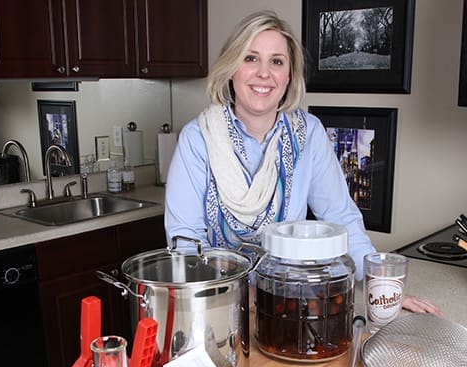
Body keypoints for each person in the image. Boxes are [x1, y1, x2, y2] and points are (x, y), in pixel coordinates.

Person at [164, 10, 441, 316]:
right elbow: (185, 240)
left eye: (277, 61)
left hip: (286, 299)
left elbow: (340, 217)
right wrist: (236, 296)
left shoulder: (308, 133)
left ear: (289, 76)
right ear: (232, 69)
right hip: (215, 304)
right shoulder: (197, 138)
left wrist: (380, 284)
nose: (264, 73)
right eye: (251, 58)